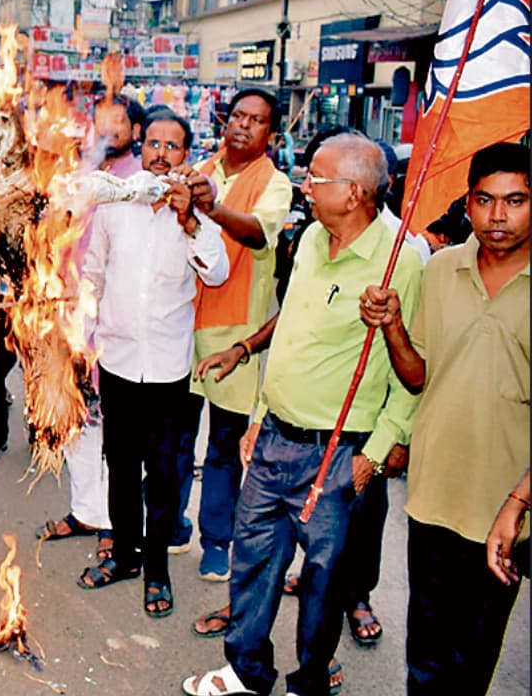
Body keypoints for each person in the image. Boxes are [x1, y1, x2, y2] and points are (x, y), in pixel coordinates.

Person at [182, 133, 422, 696]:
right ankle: (246, 671)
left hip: (337, 453)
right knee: (253, 564)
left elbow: (412, 373)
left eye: (316, 178)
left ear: (355, 192)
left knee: (323, 584)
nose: (305, 187)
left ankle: (310, 680)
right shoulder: (312, 237)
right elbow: (289, 328)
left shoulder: (400, 262)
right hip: (273, 440)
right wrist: (260, 415)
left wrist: (374, 453)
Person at [358, 142, 529, 694]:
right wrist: (392, 325)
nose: (497, 215)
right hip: (433, 497)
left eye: (515, 200)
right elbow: (417, 375)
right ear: (468, 202)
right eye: (484, 199)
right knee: (425, 657)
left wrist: (518, 503)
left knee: (471, 661)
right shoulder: (442, 267)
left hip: (504, 510)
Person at [77, 111, 228, 622]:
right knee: (119, 464)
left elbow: (217, 272)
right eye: (154, 144)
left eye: (173, 146)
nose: (162, 154)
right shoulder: (116, 205)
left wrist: (190, 221)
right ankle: (124, 554)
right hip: (117, 359)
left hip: (167, 366)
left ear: (187, 154)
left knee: (162, 474)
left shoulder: (196, 213)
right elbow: (94, 272)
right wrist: (83, 340)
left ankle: (157, 568)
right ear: (141, 148)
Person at [184, 88, 293, 583]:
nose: (244, 125)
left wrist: (212, 207)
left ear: (272, 133)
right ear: (225, 121)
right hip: (184, 326)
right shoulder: (200, 168)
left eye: (257, 120)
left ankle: (215, 542)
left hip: (235, 335)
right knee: (177, 437)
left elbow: (256, 232)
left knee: (224, 448)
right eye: (238, 116)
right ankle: (171, 524)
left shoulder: (276, 183)